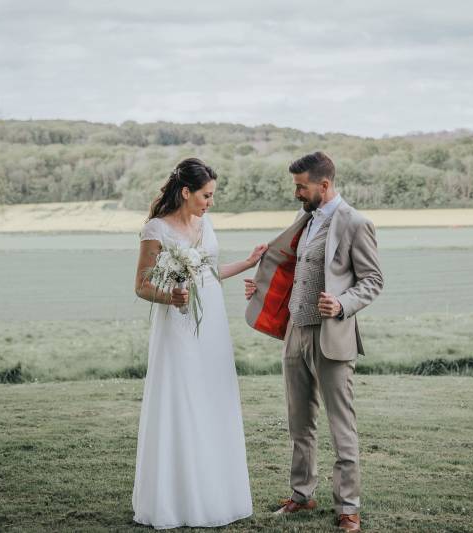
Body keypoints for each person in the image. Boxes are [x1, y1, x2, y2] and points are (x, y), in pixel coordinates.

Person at [244, 151, 383, 532]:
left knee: (342, 426)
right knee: (299, 423)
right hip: (295, 333)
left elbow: (373, 281)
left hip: (333, 337)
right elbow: (293, 271)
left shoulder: (355, 223)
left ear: (324, 185)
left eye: (301, 187)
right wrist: (262, 288)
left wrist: (341, 303)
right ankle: (302, 495)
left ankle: (348, 507)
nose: (296, 193)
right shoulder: (303, 221)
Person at [132, 157, 267, 529]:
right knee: (181, 399)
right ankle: (176, 498)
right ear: (186, 191)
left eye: (212, 196)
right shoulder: (156, 229)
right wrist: (169, 298)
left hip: (212, 323)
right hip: (177, 325)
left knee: (212, 399)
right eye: (206, 195)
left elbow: (209, 273)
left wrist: (249, 262)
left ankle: (215, 493)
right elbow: (142, 285)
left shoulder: (205, 223)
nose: (210, 202)